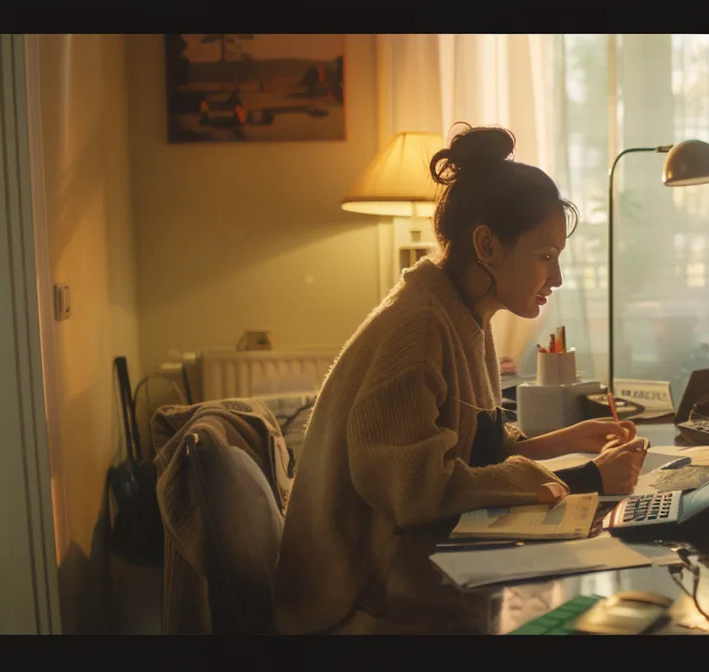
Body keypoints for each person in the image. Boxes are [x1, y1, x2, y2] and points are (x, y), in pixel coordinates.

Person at [274, 125, 649, 634]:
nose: (556, 279)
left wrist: (550, 444)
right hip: (354, 601)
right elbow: (416, 491)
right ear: (486, 244)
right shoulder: (418, 328)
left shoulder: (464, 313)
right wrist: (584, 479)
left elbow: (467, 444)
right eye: (545, 256)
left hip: (392, 573)